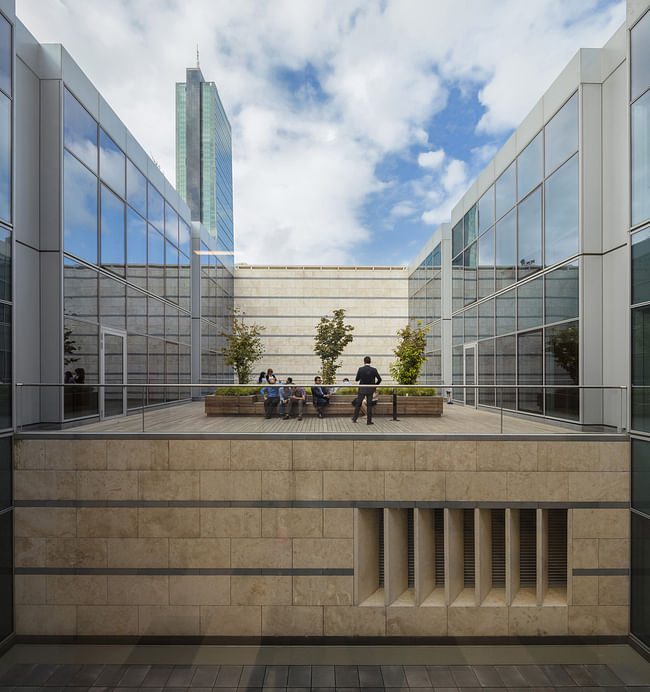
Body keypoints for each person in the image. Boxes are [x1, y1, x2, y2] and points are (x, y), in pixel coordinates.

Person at [352, 356, 382, 425]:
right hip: (370, 389)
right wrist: (374, 385)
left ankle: (354, 418)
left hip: (362, 388)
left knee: (358, 403)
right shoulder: (374, 370)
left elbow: (356, 379)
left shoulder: (360, 369)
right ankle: (369, 421)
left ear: (364, 361)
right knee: (369, 405)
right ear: (370, 361)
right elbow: (379, 379)